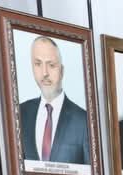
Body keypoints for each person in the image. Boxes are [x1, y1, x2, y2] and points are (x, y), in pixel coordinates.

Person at [18, 35, 89, 165]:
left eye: (51, 65)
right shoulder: (19, 114)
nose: (44, 73)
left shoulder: (84, 120)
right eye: (38, 64)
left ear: (62, 71)